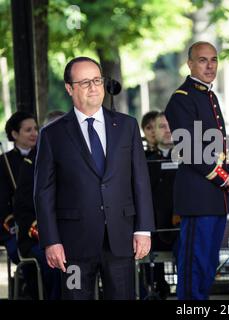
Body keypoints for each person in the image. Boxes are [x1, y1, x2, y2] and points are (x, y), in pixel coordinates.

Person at [34, 56, 155, 300]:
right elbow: (43, 192)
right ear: (69, 88)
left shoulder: (127, 126)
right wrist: (51, 241)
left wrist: (144, 229)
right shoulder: (52, 135)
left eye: (97, 80)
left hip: (120, 240)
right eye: (85, 82)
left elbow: (140, 180)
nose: (93, 87)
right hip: (72, 247)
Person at [165, 41, 229, 300]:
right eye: (202, 60)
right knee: (194, 267)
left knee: (208, 268)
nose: (210, 66)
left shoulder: (210, 95)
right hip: (198, 196)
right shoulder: (181, 99)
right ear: (189, 64)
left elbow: (218, 142)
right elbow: (190, 149)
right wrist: (224, 179)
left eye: (213, 60)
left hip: (216, 197)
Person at [14, 112, 65, 300]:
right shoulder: (31, 164)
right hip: (39, 237)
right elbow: (22, 208)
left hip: (72, 235)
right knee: (53, 264)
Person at [145, 112, 177, 299]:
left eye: (170, 125)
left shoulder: (188, 159)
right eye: (162, 126)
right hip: (155, 229)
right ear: (154, 133)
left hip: (181, 228)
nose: (167, 130)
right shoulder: (145, 161)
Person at [1, 111, 38, 265]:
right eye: (28, 130)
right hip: (16, 230)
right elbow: (2, 203)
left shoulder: (44, 157)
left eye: (36, 129)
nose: (34, 134)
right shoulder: (4, 163)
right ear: (15, 134)